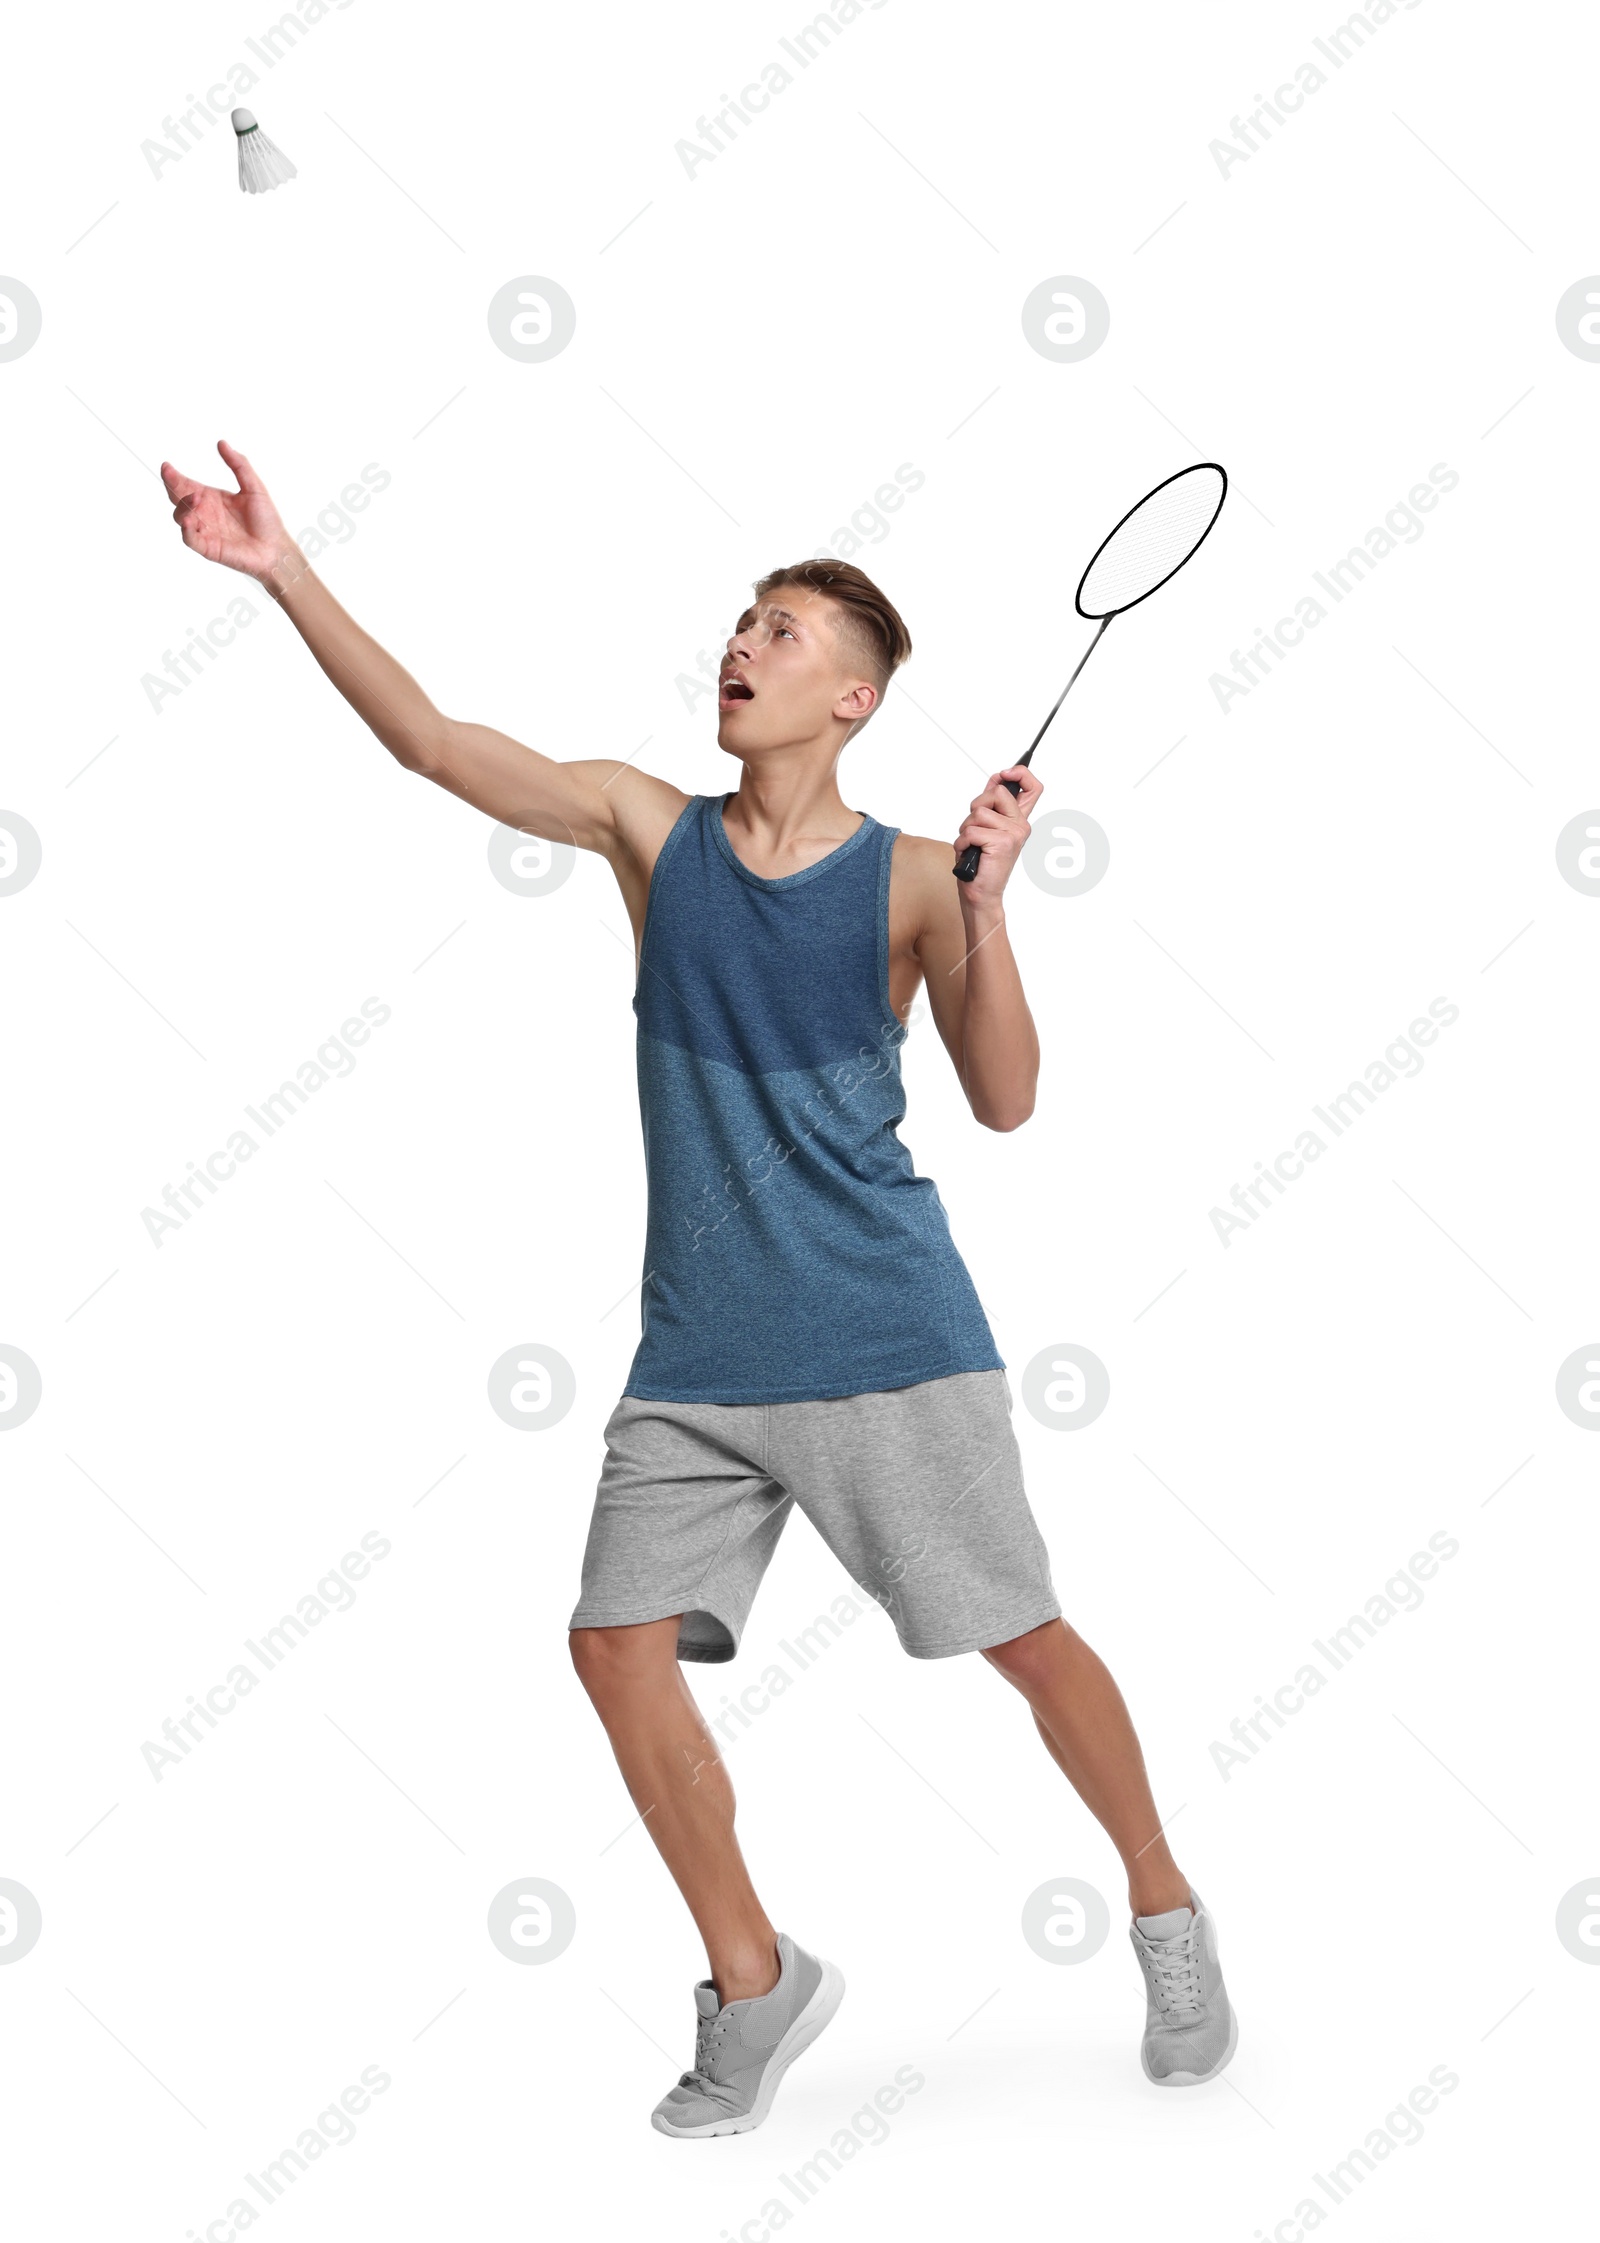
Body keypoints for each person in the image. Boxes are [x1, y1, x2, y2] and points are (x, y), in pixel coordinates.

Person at [159, 439, 1238, 2136]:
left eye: (788, 632)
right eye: (744, 620)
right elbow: (438, 745)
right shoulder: (649, 831)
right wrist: (283, 569)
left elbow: (1010, 1099)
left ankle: (1165, 1902)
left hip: (889, 1339)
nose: (744, 644)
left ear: (858, 700)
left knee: (1020, 1643)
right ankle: (755, 1976)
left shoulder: (904, 883)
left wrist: (986, 904)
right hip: (702, 1356)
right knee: (610, 1647)